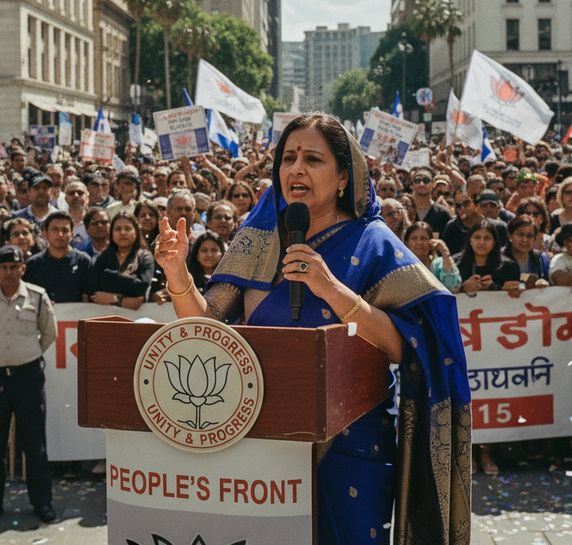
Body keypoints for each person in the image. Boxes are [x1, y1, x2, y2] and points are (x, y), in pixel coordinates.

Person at [154, 113, 471, 543]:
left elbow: (411, 347)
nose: (296, 168)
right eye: (288, 158)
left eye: (312, 159)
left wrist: (333, 291)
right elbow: (207, 328)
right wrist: (177, 276)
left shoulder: (373, 242)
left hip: (349, 448)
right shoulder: (260, 236)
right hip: (259, 441)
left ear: (344, 176)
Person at [0, 245, 57, 524]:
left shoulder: (37, 296)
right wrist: (0, 357)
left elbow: (49, 333)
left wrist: (24, 354)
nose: (9, 272)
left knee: (34, 443)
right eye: (4, 267)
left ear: (22, 268)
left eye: (14, 267)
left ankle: (42, 503)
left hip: (27, 377)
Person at [87, 212, 155, 310]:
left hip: (137, 317)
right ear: (112, 233)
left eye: (128, 229)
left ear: (136, 232)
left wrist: (113, 295)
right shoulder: (104, 257)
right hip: (105, 314)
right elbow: (93, 290)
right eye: (118, 229)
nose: (122, 233)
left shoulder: (145, 256)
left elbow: (141, 287)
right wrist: (123, 300)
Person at [24, 211, 91, 304]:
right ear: (45, 234)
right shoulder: (34, 263)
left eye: (65, 230)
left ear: (72, 235)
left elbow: (88, 297)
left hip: (75, 317)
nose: (60, 234)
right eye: (55, 230)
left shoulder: (83, 261)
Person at [456, 219, 521, 294]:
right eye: (477, 237)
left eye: (487, 238)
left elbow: (514, 296)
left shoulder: (509, 267)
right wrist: (462, 288)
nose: (482, 242)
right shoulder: (456, 265)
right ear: (470, 240)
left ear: (494, 242)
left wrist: (493, 287)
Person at [405, 221, 461, 290]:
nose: (419, 243)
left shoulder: (438, 264)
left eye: (423, 238)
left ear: (431, 242)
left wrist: (445, 252)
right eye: (414, 238)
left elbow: (453, 286)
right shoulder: (401, 267)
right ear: (407, 243)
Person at [503, 215, 550, 286]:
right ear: (510, 235)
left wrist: (544, 283)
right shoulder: (498, 260)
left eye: (530, 236)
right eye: (520, 234)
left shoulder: (542, 260)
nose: (525, 240)